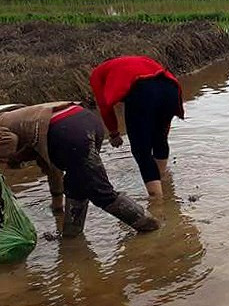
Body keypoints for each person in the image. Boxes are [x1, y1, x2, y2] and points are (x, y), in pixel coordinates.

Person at [0, 102, 158, 236]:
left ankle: (150, 226)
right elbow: (53, 170)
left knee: (100, 191)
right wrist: (57, 206)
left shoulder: (7, 124)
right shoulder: (29, 122)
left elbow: (9, 141)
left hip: (69, 131)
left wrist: (7, 162)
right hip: (86, 120)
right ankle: (71, 236)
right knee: (76, 185)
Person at [90, 55, 184, 198]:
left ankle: (157, 203)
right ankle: (163, 180)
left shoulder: (98, 72)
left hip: (142, 91)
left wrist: (114, 133)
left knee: (141, 150)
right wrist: (162, 129)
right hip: (171, 88)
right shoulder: (138, 60)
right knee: (160, 139)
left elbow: (104, 107)